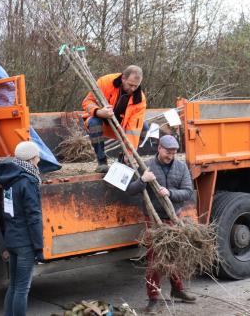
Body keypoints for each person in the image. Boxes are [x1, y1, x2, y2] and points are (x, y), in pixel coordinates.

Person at [125, 135, 197, 313]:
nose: (170, 155)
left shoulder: (181, 168)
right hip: (153, 219)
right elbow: (130, 190)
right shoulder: (146, 166)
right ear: (159, 148)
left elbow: (188, 191)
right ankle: (154, 298)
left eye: (173, 152)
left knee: (174, 254)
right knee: (154, 259)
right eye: (167, 152)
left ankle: (178, 290)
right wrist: (143, 180)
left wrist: (170, 193)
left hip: (174, 218)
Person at [0, 141, 44, 316]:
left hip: (12, 239)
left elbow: (6, 212)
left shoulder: (9, 179)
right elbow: (34, 216)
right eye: (37, 156)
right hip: (25, 243)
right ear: (31, 158)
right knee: (22, 288)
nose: (39, 159)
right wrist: (39, 247)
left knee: (14, 285)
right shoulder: (28, 181)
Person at [82, 65, 147, 173]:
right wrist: (99, 112)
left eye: (136, 86)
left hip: (121, 127)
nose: (132, 89)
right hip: (101, 122)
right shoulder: (105, 82)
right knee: (94, 122)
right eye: (130, 85)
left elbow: (133, 129)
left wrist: (129, 153)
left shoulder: (139, 99)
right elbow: (87, 102)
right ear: (123, 78)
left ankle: (123, 158)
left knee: (144, 127)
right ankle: (102, 161)